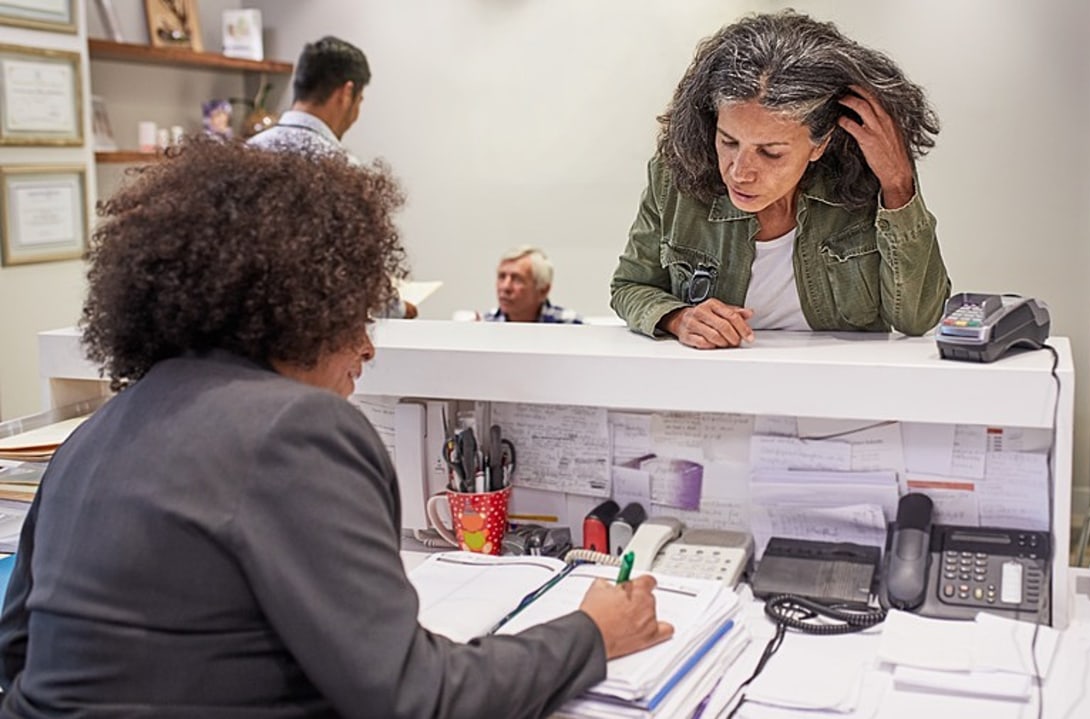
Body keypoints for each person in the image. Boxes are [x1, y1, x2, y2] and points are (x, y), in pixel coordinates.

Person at [0, 141, 671, 718]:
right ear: (300, 306)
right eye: (355, 315)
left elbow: (17, 652)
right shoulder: (297, 429)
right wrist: (592, 632)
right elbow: (419, 699)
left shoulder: (96, 432)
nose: (367, 347)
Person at [610, 11, 951, 349]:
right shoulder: (676, 175)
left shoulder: (871, 183)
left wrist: (897, 184)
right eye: (729, 141)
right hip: (717, 378)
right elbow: (630, 286)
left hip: (841, 379)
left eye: (770, 152)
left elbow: (917, 319)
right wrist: (678, 317)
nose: (740, 172)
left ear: (820, 144)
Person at [249, 34, 416, 319]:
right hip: (314, 328)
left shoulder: (247, 154)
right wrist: (399, 311)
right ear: (346, 93)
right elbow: (363, 272)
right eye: (359, 100)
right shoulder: (345, 173)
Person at [482, 245, 584, 324]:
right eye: (501, 277)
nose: (505, 287)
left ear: (543, 290)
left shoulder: (572, 326)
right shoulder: (485, 325)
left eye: (517, 280)